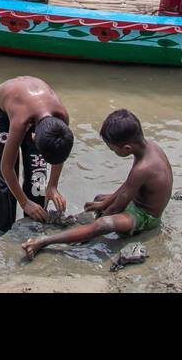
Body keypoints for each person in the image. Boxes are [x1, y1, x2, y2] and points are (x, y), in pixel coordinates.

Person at [22, 109, 172, 260]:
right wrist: (103, 204)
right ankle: (92, 222)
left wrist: (93, 227)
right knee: (100, 199)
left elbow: (117, 207)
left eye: (112, 149)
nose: (112, 151)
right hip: (136, 201)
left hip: (145, 215)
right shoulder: (150, 147)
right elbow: (129, 185)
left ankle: (45, 241)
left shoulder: (142, 169)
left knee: (103, 225)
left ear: (127, 148)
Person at [0, 76, 74, 232]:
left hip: (33, 105)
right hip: (4, 110)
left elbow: (59, 150)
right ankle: (4, 229)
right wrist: (24, 202)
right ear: (33, 137)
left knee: (38, 177)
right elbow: (6, 167)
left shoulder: (61, 118)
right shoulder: (20, 121)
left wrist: (53, 186)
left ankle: (34, 226)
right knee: (5, 184)